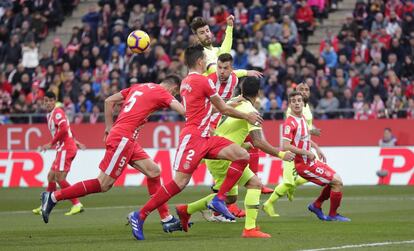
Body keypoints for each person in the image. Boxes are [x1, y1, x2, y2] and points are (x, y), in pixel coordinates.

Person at [127, 45, 263, 240]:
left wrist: (230, 103)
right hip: (193, 138)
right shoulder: (203, 81)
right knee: (179, 183)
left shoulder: (186, 82)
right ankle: (139, 215)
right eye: (206, 59)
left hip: (206, 136)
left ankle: (218, 199)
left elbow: (208, 109)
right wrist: (246, 115)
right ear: (200, 61)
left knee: (242, 155)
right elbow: (222, 108)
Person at [40, 76, 189, 232]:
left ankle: (166, 219)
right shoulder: (163, 92)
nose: (174, 96)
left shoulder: (140, 86)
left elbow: (109, 101)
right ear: (174, 89)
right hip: (123, 139)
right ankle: (53, 197)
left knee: (153, 171)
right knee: (103, 184)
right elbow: (184, 112)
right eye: (176, 93)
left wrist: (109, 127)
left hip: (126, 138)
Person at [173, 77, 295, 238]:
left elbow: (226, 129)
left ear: (242, 90)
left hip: (217, 152)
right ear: (258, 93)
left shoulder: (233, 103)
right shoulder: (251, 111)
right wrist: (281, 154)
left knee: (232, 197)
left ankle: (186, 210)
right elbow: (258, 141)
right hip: (224, 155)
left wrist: (242, 145)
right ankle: (249, 229)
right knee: (255, 184)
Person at [279, 91, 350, 222]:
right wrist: (307, 152)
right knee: (337, 182)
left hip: (311, 161)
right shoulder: (289, 123)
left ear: (303, 103)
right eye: (293, 101)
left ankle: (316, 206)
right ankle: (332, 215)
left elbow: (305, 138)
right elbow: (285, 145)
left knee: (335, 181)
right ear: (290, 104)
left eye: (299, 100)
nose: (297, 103)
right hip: (304, 165)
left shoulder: (302, 119)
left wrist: (317, 148)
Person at [263, 82, 321, 216]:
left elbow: (305, 133)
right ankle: (269, 204)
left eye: (307, 89)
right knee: (289, 182)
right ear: (296, 92)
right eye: (301, 89)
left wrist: (316, 147)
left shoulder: (307, 108)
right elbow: (294, 133)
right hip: (293, 151)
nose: (304, 91)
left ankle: (292, 185)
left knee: (310, 175)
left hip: (304, 150)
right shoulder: (294, 109)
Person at [32, 92, 84, 216]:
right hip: (63, 148)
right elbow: (68, 129)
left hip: (65, 148)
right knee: (51, 176)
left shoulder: (57, 112)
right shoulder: (50, 115)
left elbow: (64, 128)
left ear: (54, 101)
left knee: (60, 178)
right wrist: (76, 141)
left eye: (50, 100)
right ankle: (46, 204)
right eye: (45, 101)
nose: (48, 103)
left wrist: (51, 143)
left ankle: (77, 204)